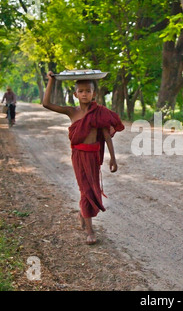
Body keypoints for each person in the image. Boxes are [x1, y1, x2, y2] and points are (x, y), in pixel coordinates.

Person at [43, 71, 124, 245]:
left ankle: (83, 212)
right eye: (81, 91)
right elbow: (46, 104)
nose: (85, 94)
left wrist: (113, 158)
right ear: (75, 94)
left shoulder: (100, 113)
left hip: (93, 156)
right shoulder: (72, 112)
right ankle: (90, 230)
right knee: (85, 189)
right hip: (78, 156)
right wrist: (51, 80)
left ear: (94, 94)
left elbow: (107, 136)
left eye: (88, 91)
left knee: (91, 188)